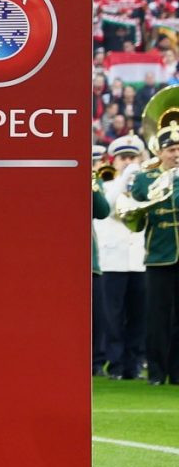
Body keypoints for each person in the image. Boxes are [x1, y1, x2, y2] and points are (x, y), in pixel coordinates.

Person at [123, 126, 179, 384]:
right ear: (160, 152)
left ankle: (177, 372)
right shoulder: (146, 177)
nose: (176, 154)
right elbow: (139, 196)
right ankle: (156, 372)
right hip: (159, 254)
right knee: (157, 317)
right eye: (171, 150)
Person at [95, 134, 148, 378]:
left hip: (138, 260)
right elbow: (108, 207)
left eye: (132, 158)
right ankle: (114, 364)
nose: (128, 162)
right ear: (113, 161)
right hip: (113, 261)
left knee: (138, 317)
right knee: (113, 317)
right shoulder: (107, 186)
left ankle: (133, 365)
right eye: (123, 158)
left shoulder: (144, 186)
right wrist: (125, 177)